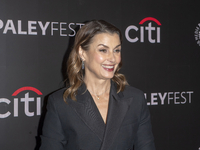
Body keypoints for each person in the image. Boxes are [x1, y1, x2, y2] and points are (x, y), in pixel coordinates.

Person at [40, 20, 156, 150]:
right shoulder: (60, 103)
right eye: (103, 50)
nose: (112, 58)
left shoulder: (136, 99)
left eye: (116, 50)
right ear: (82, 53)